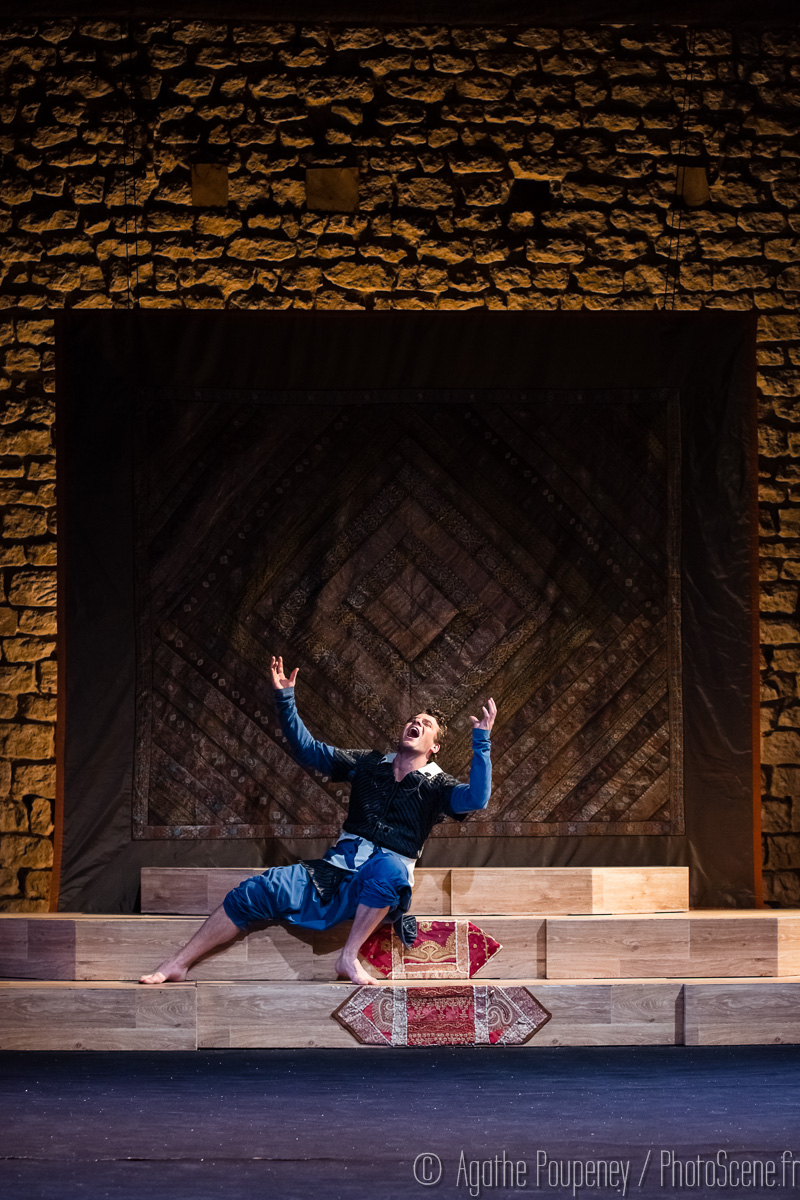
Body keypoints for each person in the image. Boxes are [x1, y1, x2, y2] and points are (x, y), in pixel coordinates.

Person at [140, 656, 496, 987]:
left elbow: (476, 799)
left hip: (376, 884)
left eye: (426, 724)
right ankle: (178, 963)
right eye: (412, 720)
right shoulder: (369, 764)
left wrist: (481, 742)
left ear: (434, 747)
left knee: (390, 869)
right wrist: (285, 700)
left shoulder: (438, 785)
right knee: (254, 891)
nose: (415, 724)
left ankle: (348, 957)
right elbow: (309, 750)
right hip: (332, 871)